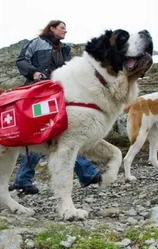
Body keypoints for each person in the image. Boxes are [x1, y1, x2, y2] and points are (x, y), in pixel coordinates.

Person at [9, 20, 101, 194]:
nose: (65, 30)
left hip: (57, 94)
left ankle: (23, 179)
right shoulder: (37, 43)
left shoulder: (65, 49)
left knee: (50, 132)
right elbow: (21, 60)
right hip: (37, 93)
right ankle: (87, 173)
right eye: (62, 27)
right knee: (45, 132)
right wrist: (34, 72)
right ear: (52, 28)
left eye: (66, 28)